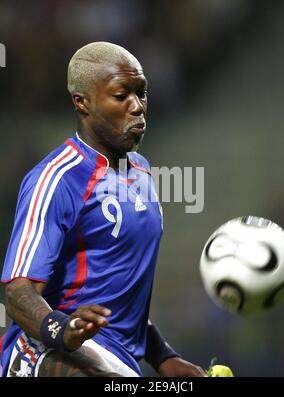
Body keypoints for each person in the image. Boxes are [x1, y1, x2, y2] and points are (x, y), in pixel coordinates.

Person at [0, 42, 206, 377]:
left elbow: (121, 296)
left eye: (142, 93)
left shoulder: (142, 173)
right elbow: (18, 293)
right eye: (121, 94)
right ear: (82, 102)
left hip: (119, 364)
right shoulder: (56, 179)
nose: (137, 106)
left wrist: (164, 356)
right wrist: (62, 330)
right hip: (47, 353)